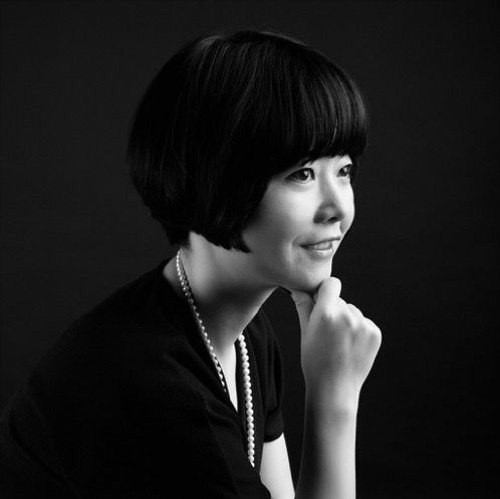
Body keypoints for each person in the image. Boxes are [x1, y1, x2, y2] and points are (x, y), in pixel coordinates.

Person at [0, 29, 381, 499]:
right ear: (216, 177)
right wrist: (335, 397)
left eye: (344, 170)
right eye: (301, 174)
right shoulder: (153, 387)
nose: (338, 207)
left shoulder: (246, 337)